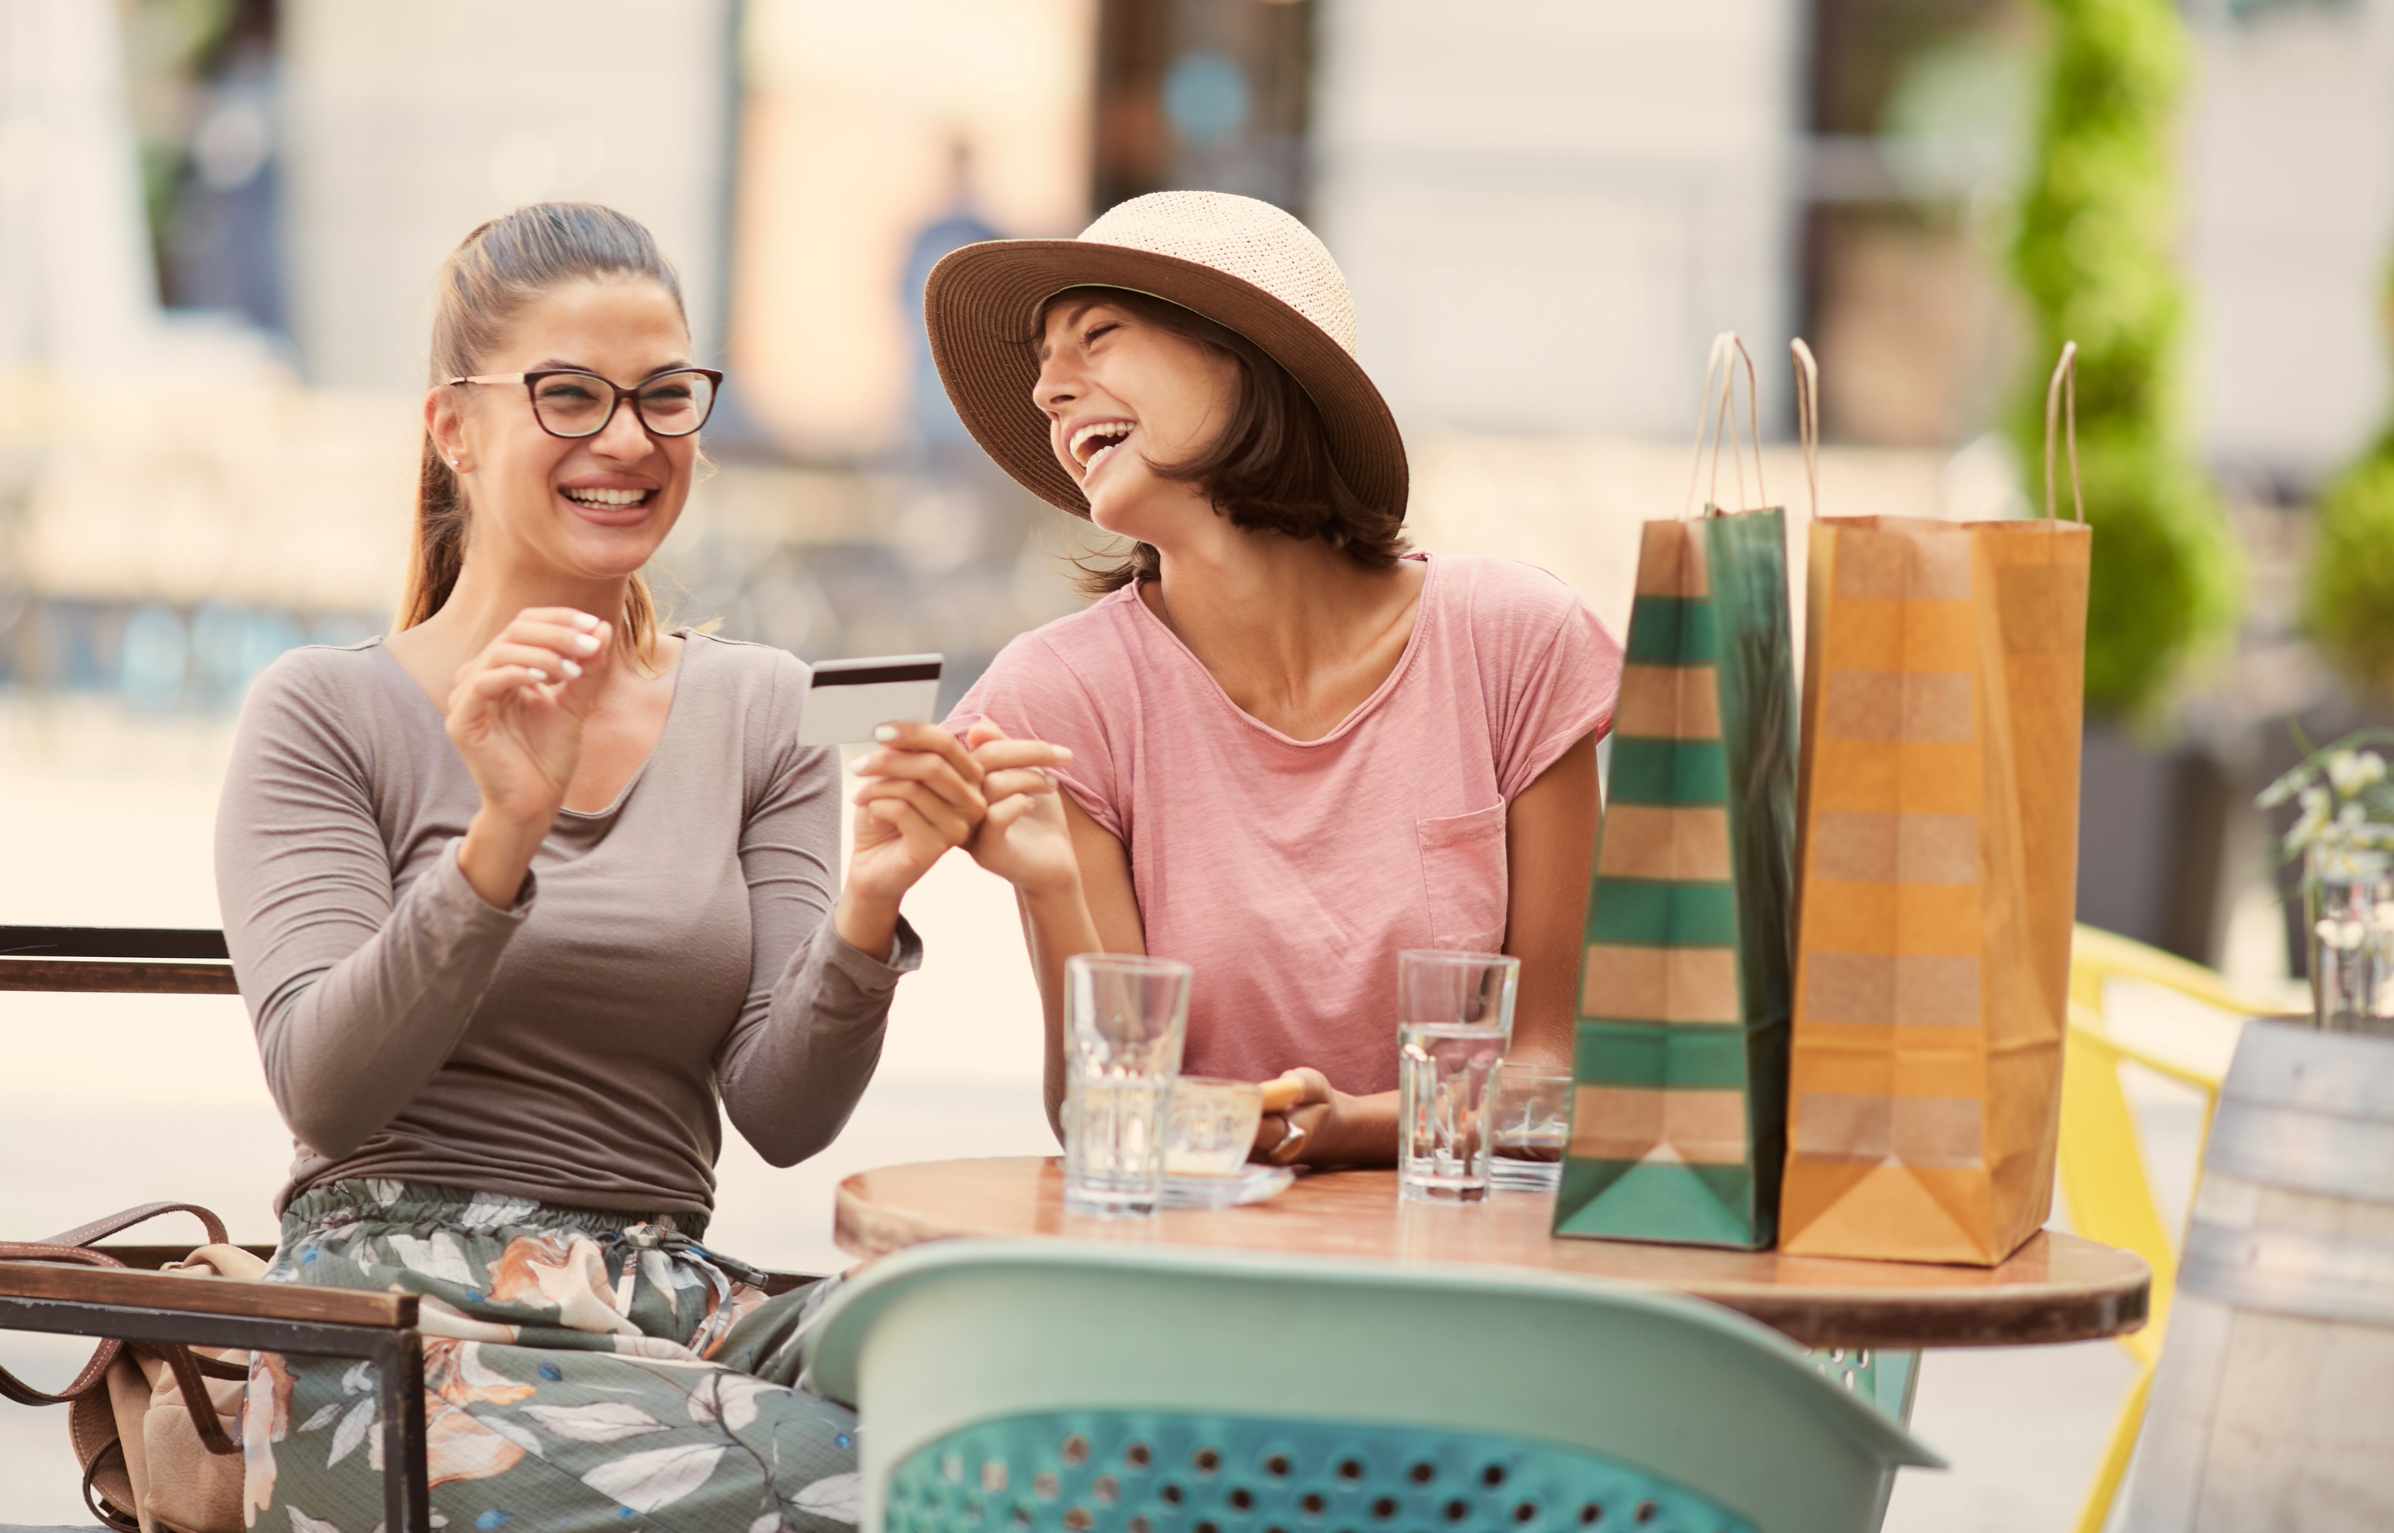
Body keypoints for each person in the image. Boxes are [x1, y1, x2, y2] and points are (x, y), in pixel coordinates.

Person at [213, 202, 1065, 1530]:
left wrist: (867, 907)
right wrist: (501, 832)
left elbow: (781, 1115)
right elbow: (327, 1091)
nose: (629, 441)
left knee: (1031, 1425)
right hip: (391, 1326)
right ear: (454, 426)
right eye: (571, 396)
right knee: (871, 1497)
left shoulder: (768, 701)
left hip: (673, 1303)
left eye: (667, 396)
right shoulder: (324, 709)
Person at [922, 191, 1624, 1167]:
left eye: (1097, 337)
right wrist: (1044, 887)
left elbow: (1557, 1070)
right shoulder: (1058, 695)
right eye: (1044, 366)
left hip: (1473, 1277)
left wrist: (1350, 1130)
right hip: (1196, 1277)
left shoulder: (1513, 644)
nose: (1050, 391)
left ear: (1244, 355)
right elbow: (1108, 1113)